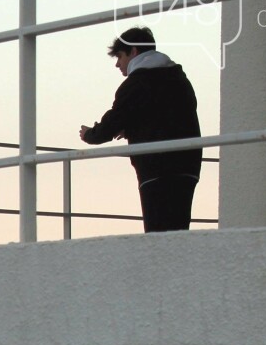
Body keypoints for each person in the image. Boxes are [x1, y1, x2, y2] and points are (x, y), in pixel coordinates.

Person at [79, 27, 202, 232]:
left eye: (119, 56)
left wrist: (89, 134)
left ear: (133, 52)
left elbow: (111, 124)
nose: (118, 64)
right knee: (179, 232)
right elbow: (166, 114)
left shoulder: (137, 83)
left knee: (157, 235)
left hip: (156, 169)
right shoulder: (179, 79)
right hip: (188, 166)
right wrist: (132, 127)